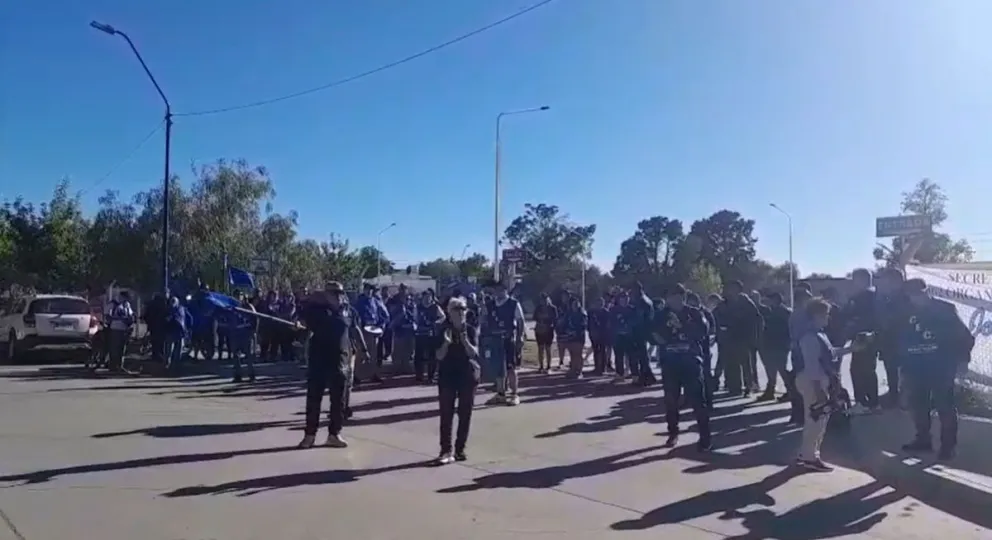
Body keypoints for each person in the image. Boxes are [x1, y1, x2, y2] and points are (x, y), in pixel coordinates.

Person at [898, 278, 974, 461]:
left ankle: (948, 446)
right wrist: (902, 364)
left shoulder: (944, 309)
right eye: (910, 295)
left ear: (926, 291)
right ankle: (923, 439)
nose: (915, 298)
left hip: (941, 365)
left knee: (945, 406)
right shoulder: (905, 312)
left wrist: (963, 360)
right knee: (918, 405)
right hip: (915, 366)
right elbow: (900, 339)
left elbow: (965, 337)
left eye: (918, 293)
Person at [298, 282, 367, 449]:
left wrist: (363, 348)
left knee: (339, 401)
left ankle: (334, 434)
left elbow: (354, 328)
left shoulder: (348, 310)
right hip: (319, 359)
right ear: (326, 294)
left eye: (340, 293)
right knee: (314, 399)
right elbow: (303, 324)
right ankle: (309, 435)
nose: (338, 296)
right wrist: (299, 326)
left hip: (341, 359)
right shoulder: (315, 309)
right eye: (334, 293)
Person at [794, 298, 860, 471]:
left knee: (817, 418)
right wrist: (818, 390)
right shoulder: (810, 337)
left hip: (817, 380)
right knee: (816, 420)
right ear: (816, 315)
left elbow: (830, 353)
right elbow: (812, 365)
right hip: (812, 381)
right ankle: (810, 456)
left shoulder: (818, 334)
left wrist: (850, 349)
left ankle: (806, 453)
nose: (828, 318)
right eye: (825, 315)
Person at [653, 284, 712, 451]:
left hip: (691, 361)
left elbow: (704, 331)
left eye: (677, 296)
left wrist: (686, 331)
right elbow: (651, 333)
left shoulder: (694, 313)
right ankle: (673, 432)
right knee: (671, 400)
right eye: (671, 297)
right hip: (670, 362)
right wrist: (662, 339)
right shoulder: (661, 315)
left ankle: (705, 436)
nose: (674, 300)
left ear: (683, 297)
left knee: (698, 401)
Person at [434, 296, 481, 465]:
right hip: (448, 375)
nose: (460, 312)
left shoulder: (470, 329)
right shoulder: (442, 329)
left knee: (465, 413)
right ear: (449, 312)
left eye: (463, 308)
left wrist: (464, 339)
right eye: (456, 309)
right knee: (446, 414)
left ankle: (460, 448)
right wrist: (446, 344)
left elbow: (473, 353)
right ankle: (445, 450)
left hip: (467, 375)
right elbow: (438, 356)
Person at [843, 268, 880, 414]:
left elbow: (860, 317)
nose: (853, 282)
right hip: (866, 337)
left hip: (864, 338)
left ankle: (864, 403)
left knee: (860, 371)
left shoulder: (865, 297)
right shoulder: (873, 296)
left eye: (854, 279)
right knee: (867, 370)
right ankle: (872, 402)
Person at [483, 281, 525, 406]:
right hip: (494, 339)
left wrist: (520, 337)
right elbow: (484, 320)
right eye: (496, 289)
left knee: (510, 367)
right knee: (497, 367)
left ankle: (514, 394)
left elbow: (520, 320)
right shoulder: (490, 304)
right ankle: (501, 394)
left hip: (508, 339)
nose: (498, 292)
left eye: (501, 289)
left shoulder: (513, 304)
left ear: (506, 290)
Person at [720, 281, 762, 396]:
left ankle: (749, 386)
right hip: (730, 337)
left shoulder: (745, 301)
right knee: (732, 364)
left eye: (733, 288)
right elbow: (718, 316)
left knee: (746, 365)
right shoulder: (725, 302)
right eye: (729, 288)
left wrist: (755, 336)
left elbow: (756, 318)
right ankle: (735, 387)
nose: (731, 291)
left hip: (744, 338)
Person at [757, 292, 792, 402]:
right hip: (770, 344)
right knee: (771, 369)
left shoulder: (784, 312)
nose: (768, 301)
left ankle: (791, 391)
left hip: (779, 344)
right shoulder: (770, 311)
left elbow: (787, 329)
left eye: (771, 299)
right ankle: (770, 390)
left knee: (781, 369)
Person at [354, 283, 389, 385]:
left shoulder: (376, 301)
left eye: (371, 290)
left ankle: (373, 374)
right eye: (367, 289)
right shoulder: (359, 302)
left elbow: (385, 315)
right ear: (364, 290)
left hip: (374, 330)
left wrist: (381, 327)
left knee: (374, 355)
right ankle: (357, 376)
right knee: (360, 354)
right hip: (362, 330)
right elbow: (355, 317)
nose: (369, 291)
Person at [687, 291, 717, 407]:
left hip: (704, 349)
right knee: (690, 376)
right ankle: (689, 399)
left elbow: (712, 329)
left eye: (691, 303)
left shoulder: (706, 313)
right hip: (690, 350)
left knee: (706, 375)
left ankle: (709, 401)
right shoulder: (687, 313)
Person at [414, 290, 445, 383]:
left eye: (429, 297)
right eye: (426, 297)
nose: (427, 298)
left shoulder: (435, 307)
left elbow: (443, 317)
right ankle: (419, 376)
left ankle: (430, 376)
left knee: (432, 356)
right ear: (422, 297)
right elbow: (415, 319)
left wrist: (436, 323)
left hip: (432, 334)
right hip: (420, 334)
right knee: (419, 356)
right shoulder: (418, 307)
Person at [630, 282, 656, 386]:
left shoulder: (642, 301)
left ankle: (646, 376)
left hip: (640, 331)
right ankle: (647, 376)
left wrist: (631, 328)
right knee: (643, 355)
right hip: (645, 330)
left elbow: (639, 318)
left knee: (642, 355)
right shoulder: (646, 300)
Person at [609, 290, 637, 382]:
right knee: (618, 356)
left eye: (626, 298)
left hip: (630, 337)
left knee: (632, 356)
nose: (625, 300)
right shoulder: (614, 310)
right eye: (622, 298)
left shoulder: (632, 309)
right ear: (619, 299)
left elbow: (635, 323)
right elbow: (611, 323)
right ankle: (619, 374)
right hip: (618, 337)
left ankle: (635, 375)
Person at [231, 293, 258, 383]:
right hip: (237, 333)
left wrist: (253, 331)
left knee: (249, 356)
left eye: (240, 296)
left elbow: (255, 318)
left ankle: (251, 376)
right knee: (236, 356)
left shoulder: (249, 307)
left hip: (246, 333)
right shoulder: (232, 307)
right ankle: (237, 376)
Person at [106, 291, 136, 371]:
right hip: (115, 329)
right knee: (114, 348)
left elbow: (130, 315)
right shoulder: (113, 304)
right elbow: (107, 316)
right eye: (126, 298)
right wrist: (119, 319)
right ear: (121, 296)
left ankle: (120, 365)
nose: (127, 300)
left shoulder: (126, 305)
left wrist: (130, 321)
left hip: (125, 329)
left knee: (122, 348)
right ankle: (112, 366)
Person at [390, 293, 417, 375]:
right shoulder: (397, 309)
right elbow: (393, 322)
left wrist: (413, 325)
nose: (408, 301)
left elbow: (414, 320)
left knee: (408, 352)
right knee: (398, 352)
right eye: (406, 299)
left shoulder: (411, 309)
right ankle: (396, 369)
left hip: (409, 333)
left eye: (409, 299)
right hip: (399, 333)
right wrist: (401, 314)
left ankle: (406, 368)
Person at [562, 295, 588, 378]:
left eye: (577, 304)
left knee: (578, 354)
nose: (575, 306)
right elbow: (565, 323)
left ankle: (579, 371)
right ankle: (572, 369)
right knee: (572, 354)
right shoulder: (569, 313)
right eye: (573, 304)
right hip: (570, 337)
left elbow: (583, 325)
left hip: (579, 337)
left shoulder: (582, 313)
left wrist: (575, 331)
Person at [532, 293, 558, 373]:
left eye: (545, 299)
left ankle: (549, 366)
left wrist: (550, 325)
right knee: (540, 348)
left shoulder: (553, 308)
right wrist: (540, 322)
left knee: (548, 348)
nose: (543, 301)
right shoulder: (538, 308)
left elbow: (555, 319)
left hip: (549, 330)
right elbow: (534, 317)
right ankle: (541, 366)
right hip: (539, 329)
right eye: (542, 300)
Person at [163, 295, 189, 374]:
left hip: (176, 332)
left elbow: (189, 318)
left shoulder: (169, 309)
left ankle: (172, 365)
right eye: (172, 301)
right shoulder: (181, 309)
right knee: (172, 350)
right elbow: (189, 318)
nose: (172, 303)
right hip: (175, 332)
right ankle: (172, 365)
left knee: (173, 350)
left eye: (173, 301)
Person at [588, 296, 611, 375]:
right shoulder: (592, 312)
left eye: (601, 303)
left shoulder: (606, 312)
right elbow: (589, 323)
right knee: (596, 351)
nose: (599, 304)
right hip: (594, 335)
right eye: (598, 303)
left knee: (602, 351)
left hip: (603, 335)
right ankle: (596, 367)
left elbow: (608, 325)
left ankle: (603, 368)